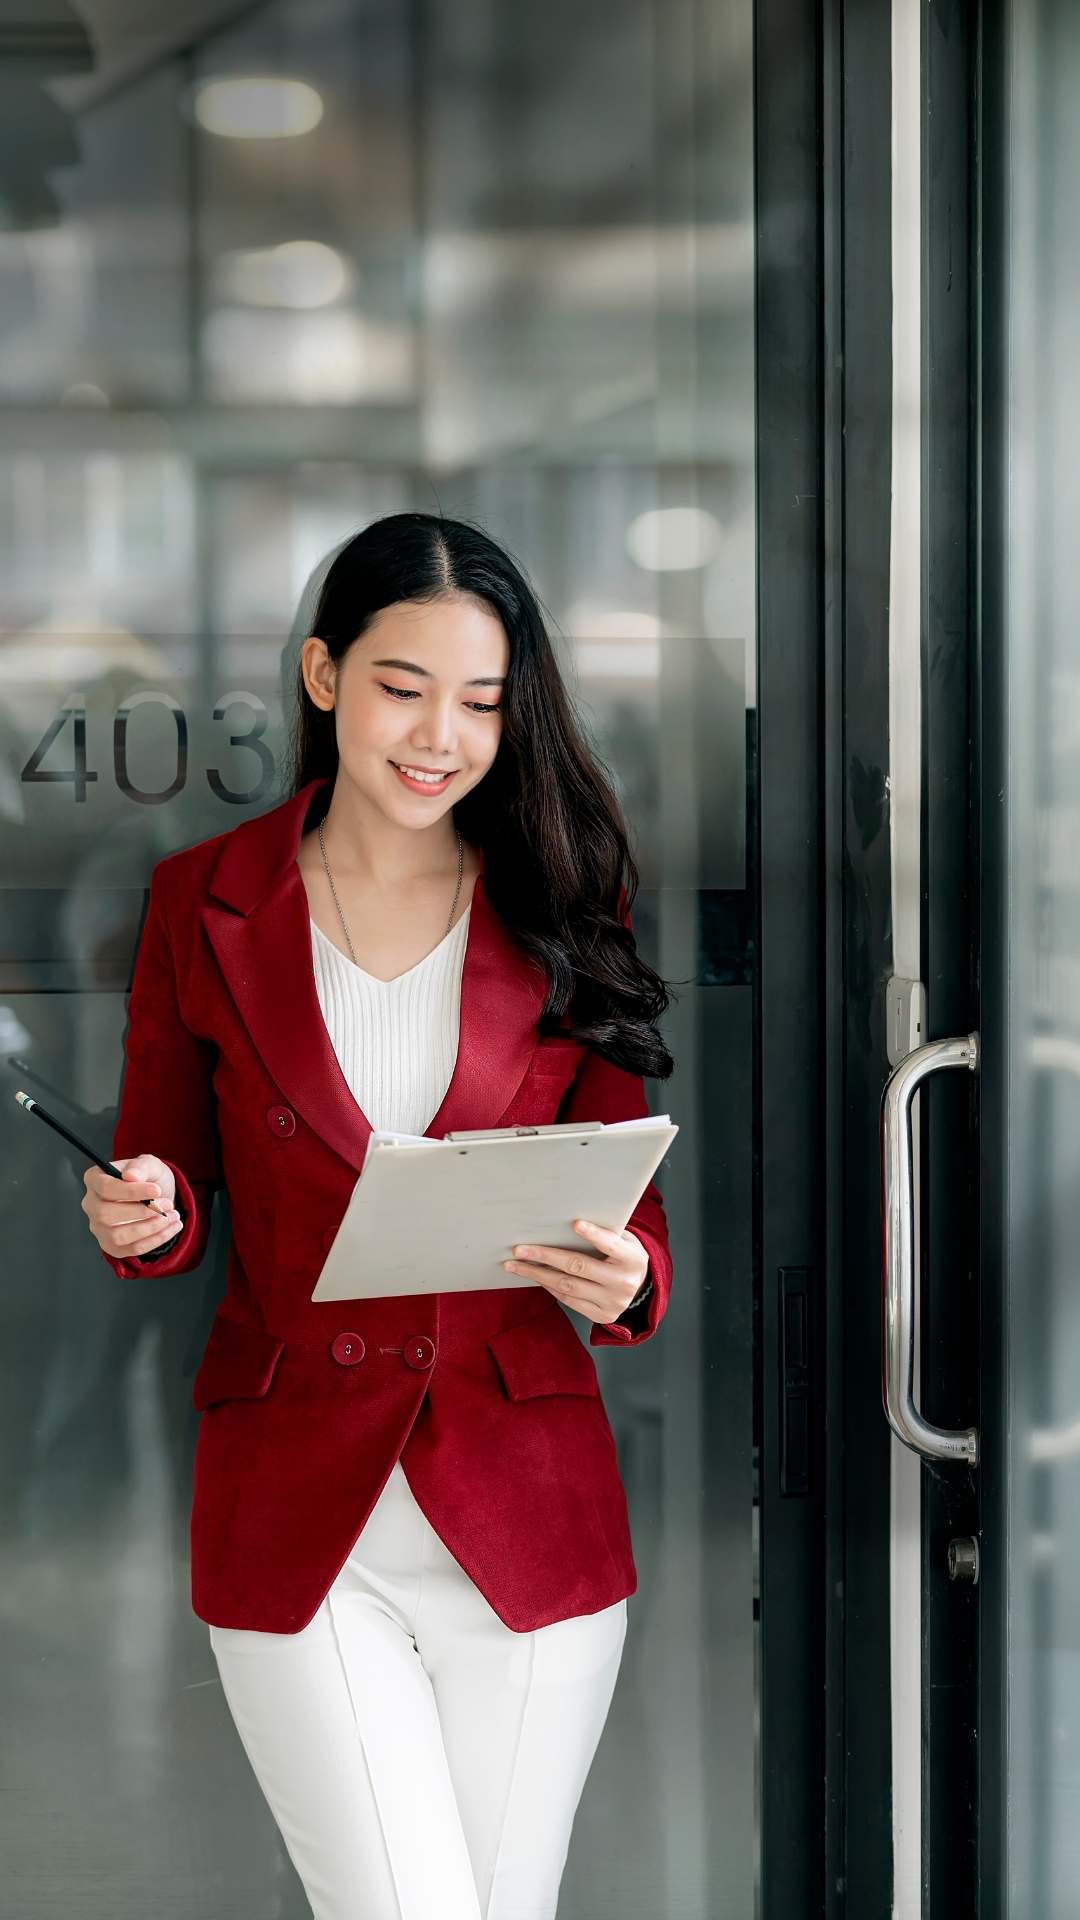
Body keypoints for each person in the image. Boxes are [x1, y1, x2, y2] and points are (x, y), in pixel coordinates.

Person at [81, 511, 676, 1920]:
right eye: (405, 687)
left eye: (481, 702)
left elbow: (631, 1203)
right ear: (324, 674)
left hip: (526, 1514)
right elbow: (162, 1183)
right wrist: (141, 1213)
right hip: (301, 1515)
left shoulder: (567, 899)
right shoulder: (204, 903)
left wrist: (625, 1276)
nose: (441, 737)